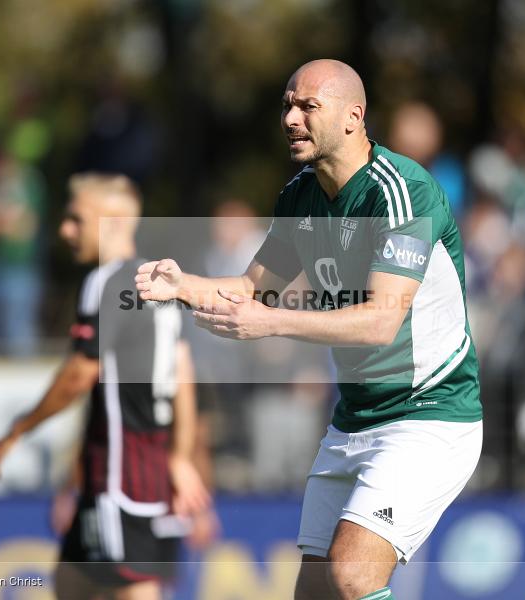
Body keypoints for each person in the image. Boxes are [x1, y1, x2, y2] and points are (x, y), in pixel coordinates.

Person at [136, 59, 483, 600]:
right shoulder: (298, 197)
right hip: (354, 420)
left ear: (353, 116)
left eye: (307, 107)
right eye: (286, 106)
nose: (291, 119)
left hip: (429, 417)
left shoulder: (401, 191)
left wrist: (270, 324)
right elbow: (251, 291)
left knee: (353, 573)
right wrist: (184, 285)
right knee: (316, 592)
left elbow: (380, 322)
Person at [0, 173, 213, 600]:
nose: (65, 230)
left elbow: (79, 374)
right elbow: (183, 374)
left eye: (76, 219)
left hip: (122, 474)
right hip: (140, 467)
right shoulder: (158, 283)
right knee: (71, 583)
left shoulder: (106, 281)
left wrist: (18, 430)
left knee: (129, 588)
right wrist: (179, 457)